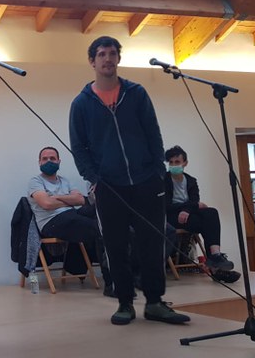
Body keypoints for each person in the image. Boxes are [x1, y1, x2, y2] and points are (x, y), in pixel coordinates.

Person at [69, 35, 190, 325]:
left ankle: (155, 302)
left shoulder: (136, 93)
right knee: (115, 245)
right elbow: (79, 147)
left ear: (118, 59)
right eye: (101, 54)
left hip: (147, 180)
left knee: (152, 243)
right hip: (109, 185)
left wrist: (158, 171)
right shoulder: (81, 104)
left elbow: (153, 133)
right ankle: (124, 302)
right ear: (92, 61)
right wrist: (94, 178)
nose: (107, 59)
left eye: (112, 53)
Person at [27, 146, 111, 291]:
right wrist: (69, 200)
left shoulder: (65, 181)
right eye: (45, 159)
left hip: (71, 215)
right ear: (39, 162)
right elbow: (46, 204)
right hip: (51, 222)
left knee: (99, 210)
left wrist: (55, 197)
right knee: (98, 228)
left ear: (59, 161)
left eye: (52, 158)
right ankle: (111, 281)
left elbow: (81, 200)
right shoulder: (35, 181)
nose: (49, 161)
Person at [164, 145, 240, 283]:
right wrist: (191, 207)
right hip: (171, 217)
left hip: (187, 215)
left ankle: (215, 256)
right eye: (171, 162)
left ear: (185, 163)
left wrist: (188, 209)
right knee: (207, 222)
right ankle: (216, 268)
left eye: (177, 162)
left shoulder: (191, 180)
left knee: (211, 212)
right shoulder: (164, 180)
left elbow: (194, 200)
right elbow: (166, 205)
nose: (174, 165)